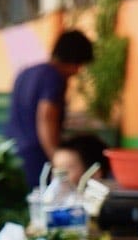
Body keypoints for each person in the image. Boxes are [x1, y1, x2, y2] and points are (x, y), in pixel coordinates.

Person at [6, 30, 95, 188]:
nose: (78, 72)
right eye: (79, 65)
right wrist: (56, 157)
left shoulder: (25, 73)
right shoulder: (54, 78)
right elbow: (46, 117)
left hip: (12, 151)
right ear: (74, 59)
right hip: (35, 157)